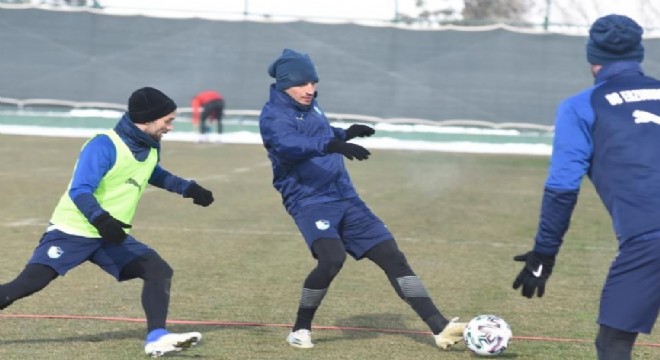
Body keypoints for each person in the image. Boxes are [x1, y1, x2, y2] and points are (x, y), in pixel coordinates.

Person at [259, 48, 466, 350]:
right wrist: (333, 144)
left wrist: (345, 133)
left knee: (393, 257)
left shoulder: (312, 106)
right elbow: (289, 144)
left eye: (313, 82)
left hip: (345, 196)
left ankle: (440, 327)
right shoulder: (274, 116)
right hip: (310, 200)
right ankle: (300, 329)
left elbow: (321, 131)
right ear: (285, 84)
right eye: (303, 84)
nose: (310, 89)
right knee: (331, 259)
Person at [0, 87, 215, 357]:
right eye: (167, 121)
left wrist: (189, 188)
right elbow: (80, 190)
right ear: (147, 119)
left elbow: (152, 173)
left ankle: (157, 338)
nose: (170, 127)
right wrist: (101, 219)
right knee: (27, 284)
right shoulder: (103, 144)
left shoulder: (149, 148)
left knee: (158, 270)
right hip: (73, 231)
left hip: (110, 235)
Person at [512, 15, 660, 360]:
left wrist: (544, 255)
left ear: (592, 57)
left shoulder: (580, 107)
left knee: (614, 344)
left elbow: (562, 188)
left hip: (650, 241)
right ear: (638, 53)